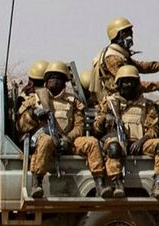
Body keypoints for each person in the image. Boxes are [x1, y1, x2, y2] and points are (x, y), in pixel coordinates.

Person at [15, 61, 111, 199]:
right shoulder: (34, 100)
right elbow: (20, 127)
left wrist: (68, 139)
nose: (55, 81)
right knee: (45, 141)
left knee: (91, 142)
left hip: (69, 141)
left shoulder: (73, 101)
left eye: (59, 78)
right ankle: (37, 183)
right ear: (46, 81)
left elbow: (80, 126)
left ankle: (99, 183)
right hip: (46, 141)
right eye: (51, 77)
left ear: (65, 82)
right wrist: (32, 114)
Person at [94, 66, 159, 199]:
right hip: (117, 141)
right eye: (125, 81)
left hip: (140, 143)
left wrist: (141, 141)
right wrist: (105, 119)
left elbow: (153, 128)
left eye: (131, 82)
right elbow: (97, 128)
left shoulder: (146, 104)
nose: (128, 85)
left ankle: (157, 184)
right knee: (113, 148)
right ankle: (118, 184)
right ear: (119, 84)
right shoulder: (109, 103)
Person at [92, 17, 159, 96]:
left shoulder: (120, 55)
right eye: (126, 33)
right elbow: (130, 84)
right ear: (117, 35)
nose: (131, 36)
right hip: (116, 99)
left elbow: (142, 66)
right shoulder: (113, 58)